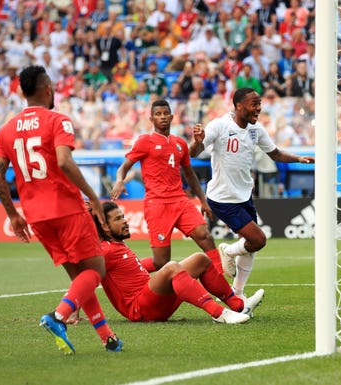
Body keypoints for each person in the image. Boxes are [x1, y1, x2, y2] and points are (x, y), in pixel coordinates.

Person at [0, 65, 122, 354]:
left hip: (36, 216)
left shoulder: (6, 130)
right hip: (67, 209)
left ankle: (108, 338)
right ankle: (57, 316)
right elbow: (64, 161)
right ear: (47, 89)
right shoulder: (57, 120)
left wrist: (13, 215)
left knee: (80, 278)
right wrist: (94, 198)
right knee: (96, 271)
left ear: (22, 92)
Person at [188, 87, 315, 299]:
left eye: (259, 104)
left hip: (244, 195)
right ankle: (228, 251)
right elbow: (194, 153)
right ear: (238, 106)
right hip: (223, 197)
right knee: (258, 240)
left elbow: (275, 154)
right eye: (254, 104)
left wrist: (298, 158)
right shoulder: (220, 125)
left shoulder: (256, 130)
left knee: (251, 246)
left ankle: (237, 294)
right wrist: (197, 142)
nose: (258, 109)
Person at [91, 201, 264, 324]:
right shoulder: (104, 250)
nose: (125, 221)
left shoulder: (116, 246)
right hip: (140, 309)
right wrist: (72, 312)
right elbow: (86, 279)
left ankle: (239, 306)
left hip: (153, 300)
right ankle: (220, 313)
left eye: (123, 216)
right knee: (172, 267)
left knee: (200, 259)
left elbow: (132, 269)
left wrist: (157, 264)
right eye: (118, 219)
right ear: (105, 227)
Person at [110, 99, 225, 277]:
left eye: (165, 114)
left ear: (172, 117)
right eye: (158, 114)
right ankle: (122, 271)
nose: (162, 117)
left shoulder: (180, 144)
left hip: (180, 201)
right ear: (151, 119)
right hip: (157, 205)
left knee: (206, 237)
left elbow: (190, 174)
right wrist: (119, 180)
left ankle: (223, 283)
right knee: (161, 262)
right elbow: (124, 166)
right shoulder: (144, 141)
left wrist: (203, 200)